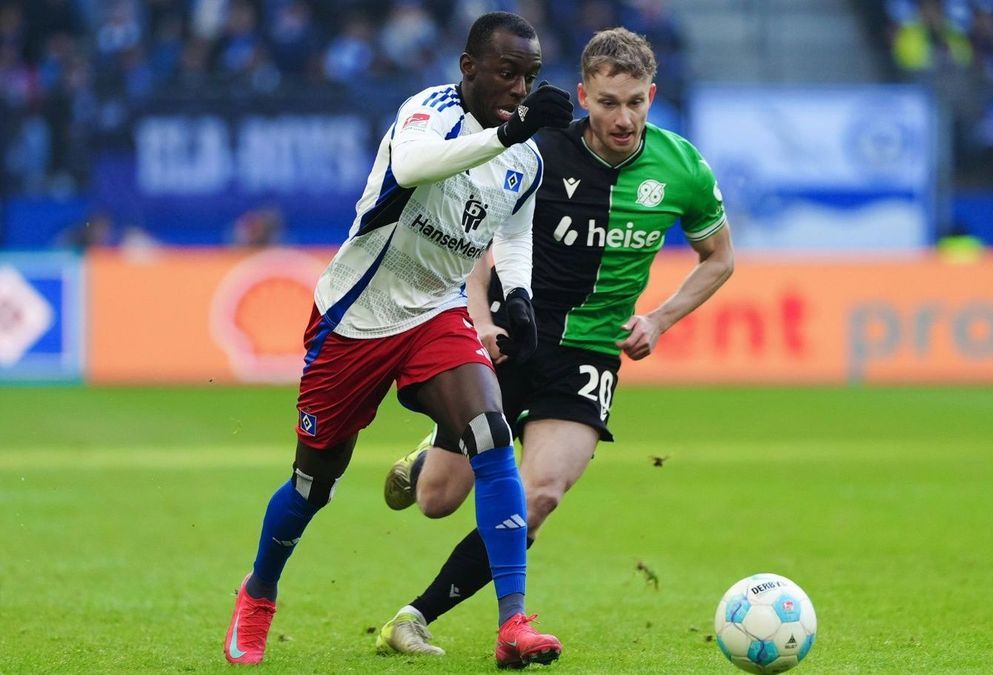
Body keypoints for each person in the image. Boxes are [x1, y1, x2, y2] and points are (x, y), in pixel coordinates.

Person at [222, 11, 573, 667]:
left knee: (492, 434)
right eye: (506, 73)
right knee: (311, 484)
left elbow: (514, 230)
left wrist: (519, 295)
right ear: (468, 69)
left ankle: (513, 622)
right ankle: (260, 591)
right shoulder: (427, 114)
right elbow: (413, 167)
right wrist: (513, 131)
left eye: (529, 77)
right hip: (355, 317)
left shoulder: (524, 156)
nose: (519, 89)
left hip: (435, 314)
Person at [374, 26, 735, 658]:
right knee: (436, 501)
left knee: (539, 496)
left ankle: (414, 617)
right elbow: (484, 243)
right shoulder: (542, 153)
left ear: (652, 95)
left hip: (590, 355)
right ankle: (429, 457)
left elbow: (718, 258)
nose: (622, 119)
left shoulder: (682, 168)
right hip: (514, 335)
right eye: (607, 103)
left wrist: (659, 319)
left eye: (635, 103)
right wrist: (480, 318)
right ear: (582, 96)